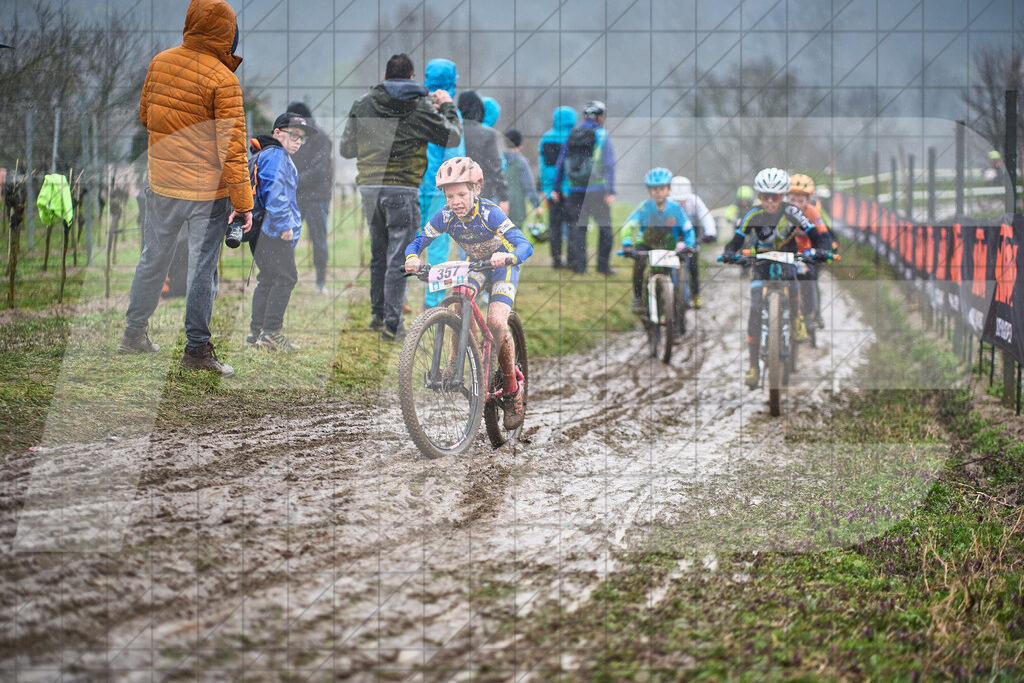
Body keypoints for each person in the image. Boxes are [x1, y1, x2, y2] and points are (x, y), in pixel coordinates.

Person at [120, 0, 251, 378]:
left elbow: (146, 116)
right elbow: (232, 150)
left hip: (161, 185)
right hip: (207, 195)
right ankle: (197, 350)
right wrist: (244, 204)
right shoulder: (224, 80)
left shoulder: (159, 63)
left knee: (153, 258)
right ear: (227, 34)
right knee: (202, 269)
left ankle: (133, 334)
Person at [339, 53, 462, 342]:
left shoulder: (363, 104)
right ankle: (393, 327)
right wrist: (447, 106)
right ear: (411, 78)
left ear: (385, 76)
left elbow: (346, 149)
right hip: (403, 188)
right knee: (399, 256)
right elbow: (452, 136)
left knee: (379, 252)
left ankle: (378, 315)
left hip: (370, 188)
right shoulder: (419, 106)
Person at [404, 157, 533, 429]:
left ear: (476, 189)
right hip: (476, 265)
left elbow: (525, 245)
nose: (456, 202)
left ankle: (512, 390)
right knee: (460, 297)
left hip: (502, 267)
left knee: (496, 322)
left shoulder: (490, 213)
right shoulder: (445, 216)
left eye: (462, 194)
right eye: (450, 196)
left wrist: (509, 257)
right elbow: (418, 241)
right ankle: (456, 360)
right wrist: (413, 257)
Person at [721, 168, 829, 387]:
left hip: (787, 258)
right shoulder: (753, 214)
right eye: (765, 197)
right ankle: (753, 367)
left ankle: (797, 319)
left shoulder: (792, 211)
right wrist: (730, 253)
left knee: (794, 280)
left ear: (782, 196)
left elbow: (816, 235)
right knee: (754, 309)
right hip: (761, 262)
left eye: (775, 197)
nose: (770, 202)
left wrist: (821, 250)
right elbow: (737, 238)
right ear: (760, 196)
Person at [246, 112, 313, 351]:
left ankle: (256, 332)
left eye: (301, 138)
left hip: (260, 228)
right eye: (293, 135)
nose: (298, 141)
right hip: (272, 229)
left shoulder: (265, 154)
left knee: (269, 277)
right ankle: (271, 332)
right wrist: (285, 225)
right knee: (286, 277)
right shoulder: (276, 155)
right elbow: (275, 193)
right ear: (277, 133)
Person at [418, 58, 466, 311]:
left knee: (407, 243)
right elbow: (454, 155)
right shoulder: (450, 113)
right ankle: (433, 303)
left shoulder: (417, 108)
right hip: (441, 188)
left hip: (415, 185)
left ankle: (396, 300)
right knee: (437, 246)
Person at [620, 168, 695, 322]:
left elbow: (688, 229)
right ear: (649, 190)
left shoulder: (675, 208)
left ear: (668, 189)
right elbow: (629, 226)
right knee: (639, 262)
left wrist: (689, 244)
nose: (658, 192)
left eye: (662, 188)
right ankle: (638, 297)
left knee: (672, 275)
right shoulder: (644, 207)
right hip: (646, 244)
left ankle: (674, 311)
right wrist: (627, 244)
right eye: (654, 189)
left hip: (667, 246)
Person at [553, 100, 616, 275]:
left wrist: (556, 187)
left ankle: (579, 267)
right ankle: (603, 266)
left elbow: (561, 162)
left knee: (577, 228)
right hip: (597, 190)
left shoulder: (573, 134)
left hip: (575, 190)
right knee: (605, 228)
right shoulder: (603, 135)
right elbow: (609, 164)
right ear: (600, 117)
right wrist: (611, 189)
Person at [286, 101, 333, 294]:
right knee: (287, 237)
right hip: (296, 195)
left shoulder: (320, 138)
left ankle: (320, 283)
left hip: (317, 196)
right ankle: (285, 278)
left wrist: (292, 180)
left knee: (318, 239)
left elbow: (319, 169)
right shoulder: (291, 137)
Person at [786, 173, 833, 332]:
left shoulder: (812, 212)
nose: (796, 204)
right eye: (792, 200)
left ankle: (811, 315)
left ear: (808, 200)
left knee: (810, 278)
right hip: (783, 252)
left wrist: (824, 250)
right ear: (786, 198)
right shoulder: (780, 211)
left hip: (805, 253)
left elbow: (823, 234)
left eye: (801, 201)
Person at [669, 175, 717, 309]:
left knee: (693, 267)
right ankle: (669, 293)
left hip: (692, 236)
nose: (680, 203)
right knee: (668, 266)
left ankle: (695, 295)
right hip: (674, 234)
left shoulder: (694, 201)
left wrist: (710, 233)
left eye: (682, 200)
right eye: (677, 201)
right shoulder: (668, 203)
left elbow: (705, 216)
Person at [457, 90, 509, 213]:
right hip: (482, 192)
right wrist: (504, 196)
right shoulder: (487, 134)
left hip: (454, 191)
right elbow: (495, 167)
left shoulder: (452, 130)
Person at [538, 106, 577, 268]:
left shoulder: (546, 138)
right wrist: (567, 187)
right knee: (573, 225)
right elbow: (571, 166)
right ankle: (572, 259)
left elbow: (545, 166)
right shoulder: (573, 138)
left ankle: (556, 259)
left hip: (552, 191)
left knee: (554, 226)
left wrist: (548, 189)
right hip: (569, 190)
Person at [502, 128, 543, 229]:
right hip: (517, 206)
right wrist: (536, 205)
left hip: (500, 204)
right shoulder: (521, 162)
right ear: (520, 145)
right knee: (515, 235)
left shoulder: (498, 160)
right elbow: (529, 185)